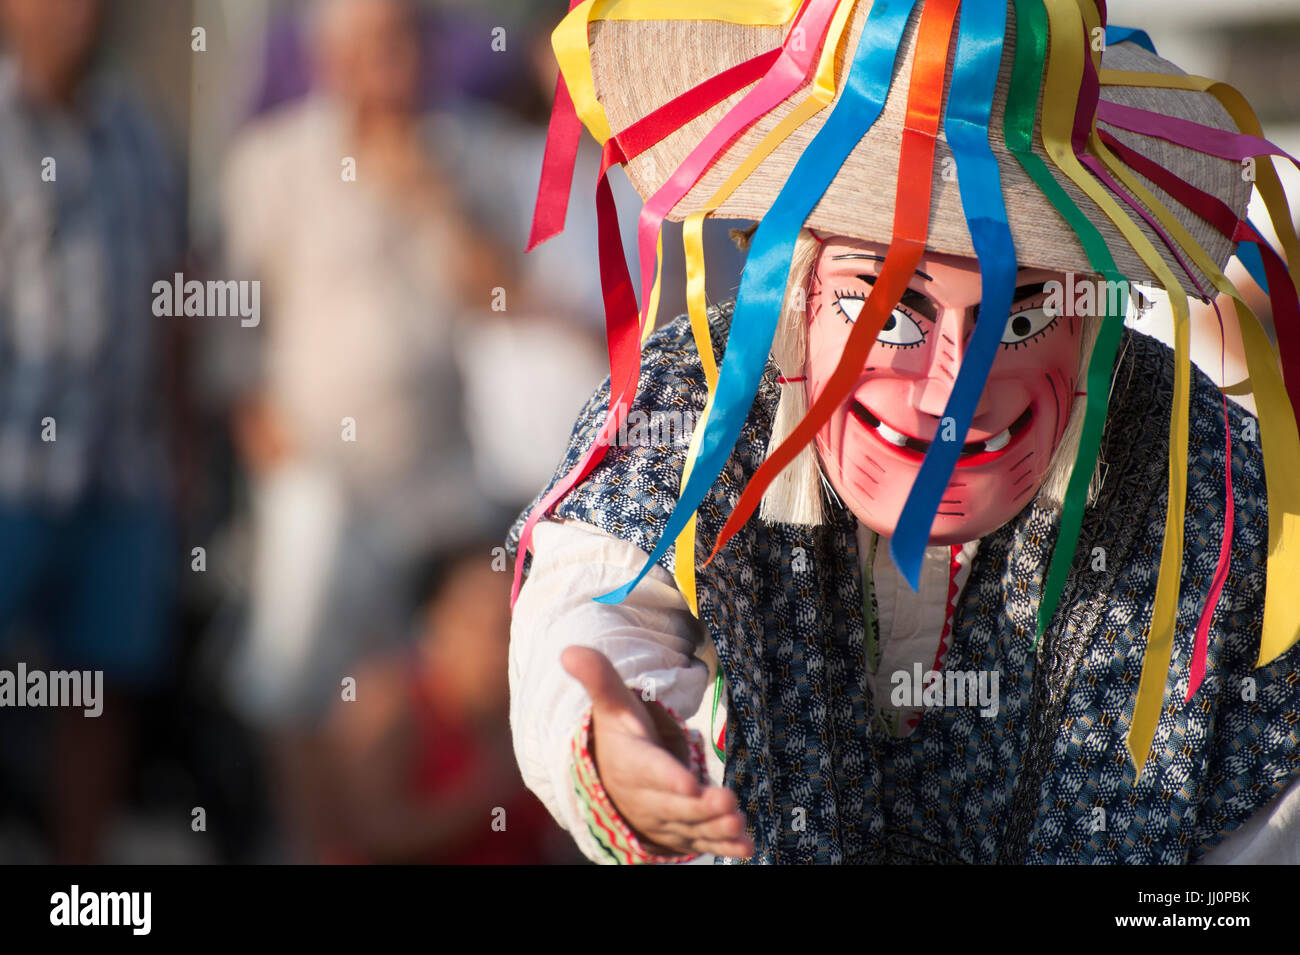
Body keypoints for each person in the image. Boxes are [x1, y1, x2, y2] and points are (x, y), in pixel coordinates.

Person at [506, 0, 1300, 864]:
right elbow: (591, 603)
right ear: (794, 272)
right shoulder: (693, 403)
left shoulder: (1211, 479)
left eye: (1020, 316)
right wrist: (616, 755)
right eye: (888, 308)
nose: (952, 389)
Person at [220, 0, 501, 860]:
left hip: (439, 475)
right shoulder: (272, 162)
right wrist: (283, 469)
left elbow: (501, 298)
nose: (398, 66)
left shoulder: (461, 154)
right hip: (319, 472)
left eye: (409, 42)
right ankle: (315, 845)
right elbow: (233, 343)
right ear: (332, 59)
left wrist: (428, 196)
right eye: (378, 47)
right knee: (301, 652)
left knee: (463, 660)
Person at [0, 0, 184, 863]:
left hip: (121, 470)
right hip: (10, 475)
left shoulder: (139, 135)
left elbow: (173, 297)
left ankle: (78, 884)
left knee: (100, 693)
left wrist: (179, 447)